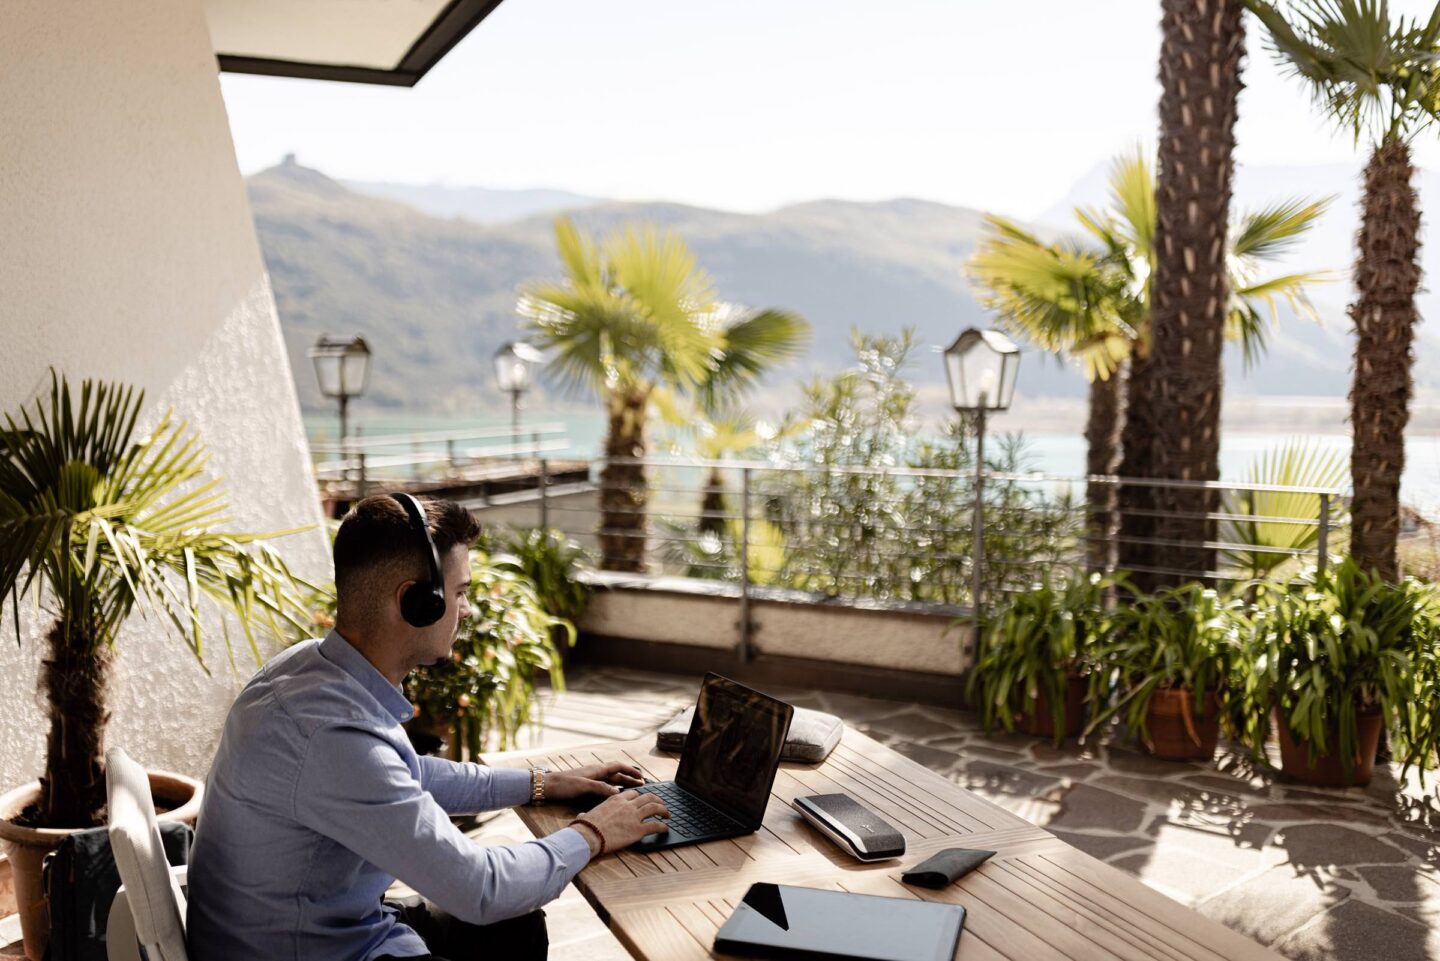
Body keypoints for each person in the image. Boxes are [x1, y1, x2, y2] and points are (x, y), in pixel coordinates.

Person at [187, 494, 670, 961]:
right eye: (459, 593)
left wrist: (543, 783)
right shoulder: (334, 737)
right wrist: (595, 832)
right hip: (315, 947)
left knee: (516, 926)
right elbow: (481, 889)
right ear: (415, 602)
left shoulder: (304, 671)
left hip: (314, 926)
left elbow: (406, 773)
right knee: (501, 910)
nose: (466, 610)